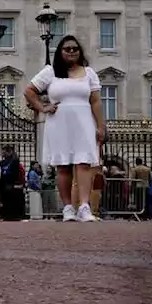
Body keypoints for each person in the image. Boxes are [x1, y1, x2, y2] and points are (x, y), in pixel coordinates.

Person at [23, 34, 106, 223]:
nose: (71, 51)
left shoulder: (89, 73)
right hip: (59, 122)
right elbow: (29, 91)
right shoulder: (50, 72)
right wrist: (43, 108)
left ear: (80, 52)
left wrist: (101, 126)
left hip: (84, 121)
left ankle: (84, 207)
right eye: (67, 48)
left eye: (75, 48)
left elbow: (96, 101)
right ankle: (68, 208)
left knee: (84, 163)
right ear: (60, 52)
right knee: (63, 166)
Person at [0, 145, 26, 221]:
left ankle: (14, 216)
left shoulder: (14, 161)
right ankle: (5, 215)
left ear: (8, 152)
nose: (2, 153)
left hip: (11, 184)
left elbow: (15, 173)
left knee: (12, 201)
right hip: (3, 184)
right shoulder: (2, 162)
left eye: (3, 151)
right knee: (5, 201)